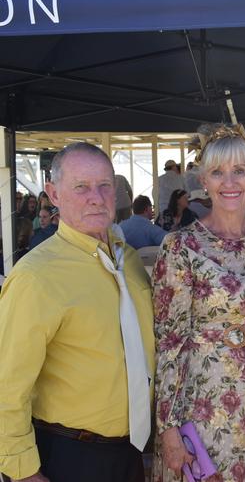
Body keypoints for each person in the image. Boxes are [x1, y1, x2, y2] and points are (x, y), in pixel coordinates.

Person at [0, 142, 154, 482]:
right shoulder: (36, 276)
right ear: (53, 194)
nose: (96, 197)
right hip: (69, 457)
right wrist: (24, 473)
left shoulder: (128, 261)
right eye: (81, 187)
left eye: (104, 185)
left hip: (131, 453)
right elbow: (6, 386)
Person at [153, 123, 245, 481]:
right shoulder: (180, 246)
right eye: (218, 172)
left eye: (239, 171)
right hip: (203, 398)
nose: (229, 182)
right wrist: (167, 427)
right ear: (203, 178)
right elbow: (169, 342)